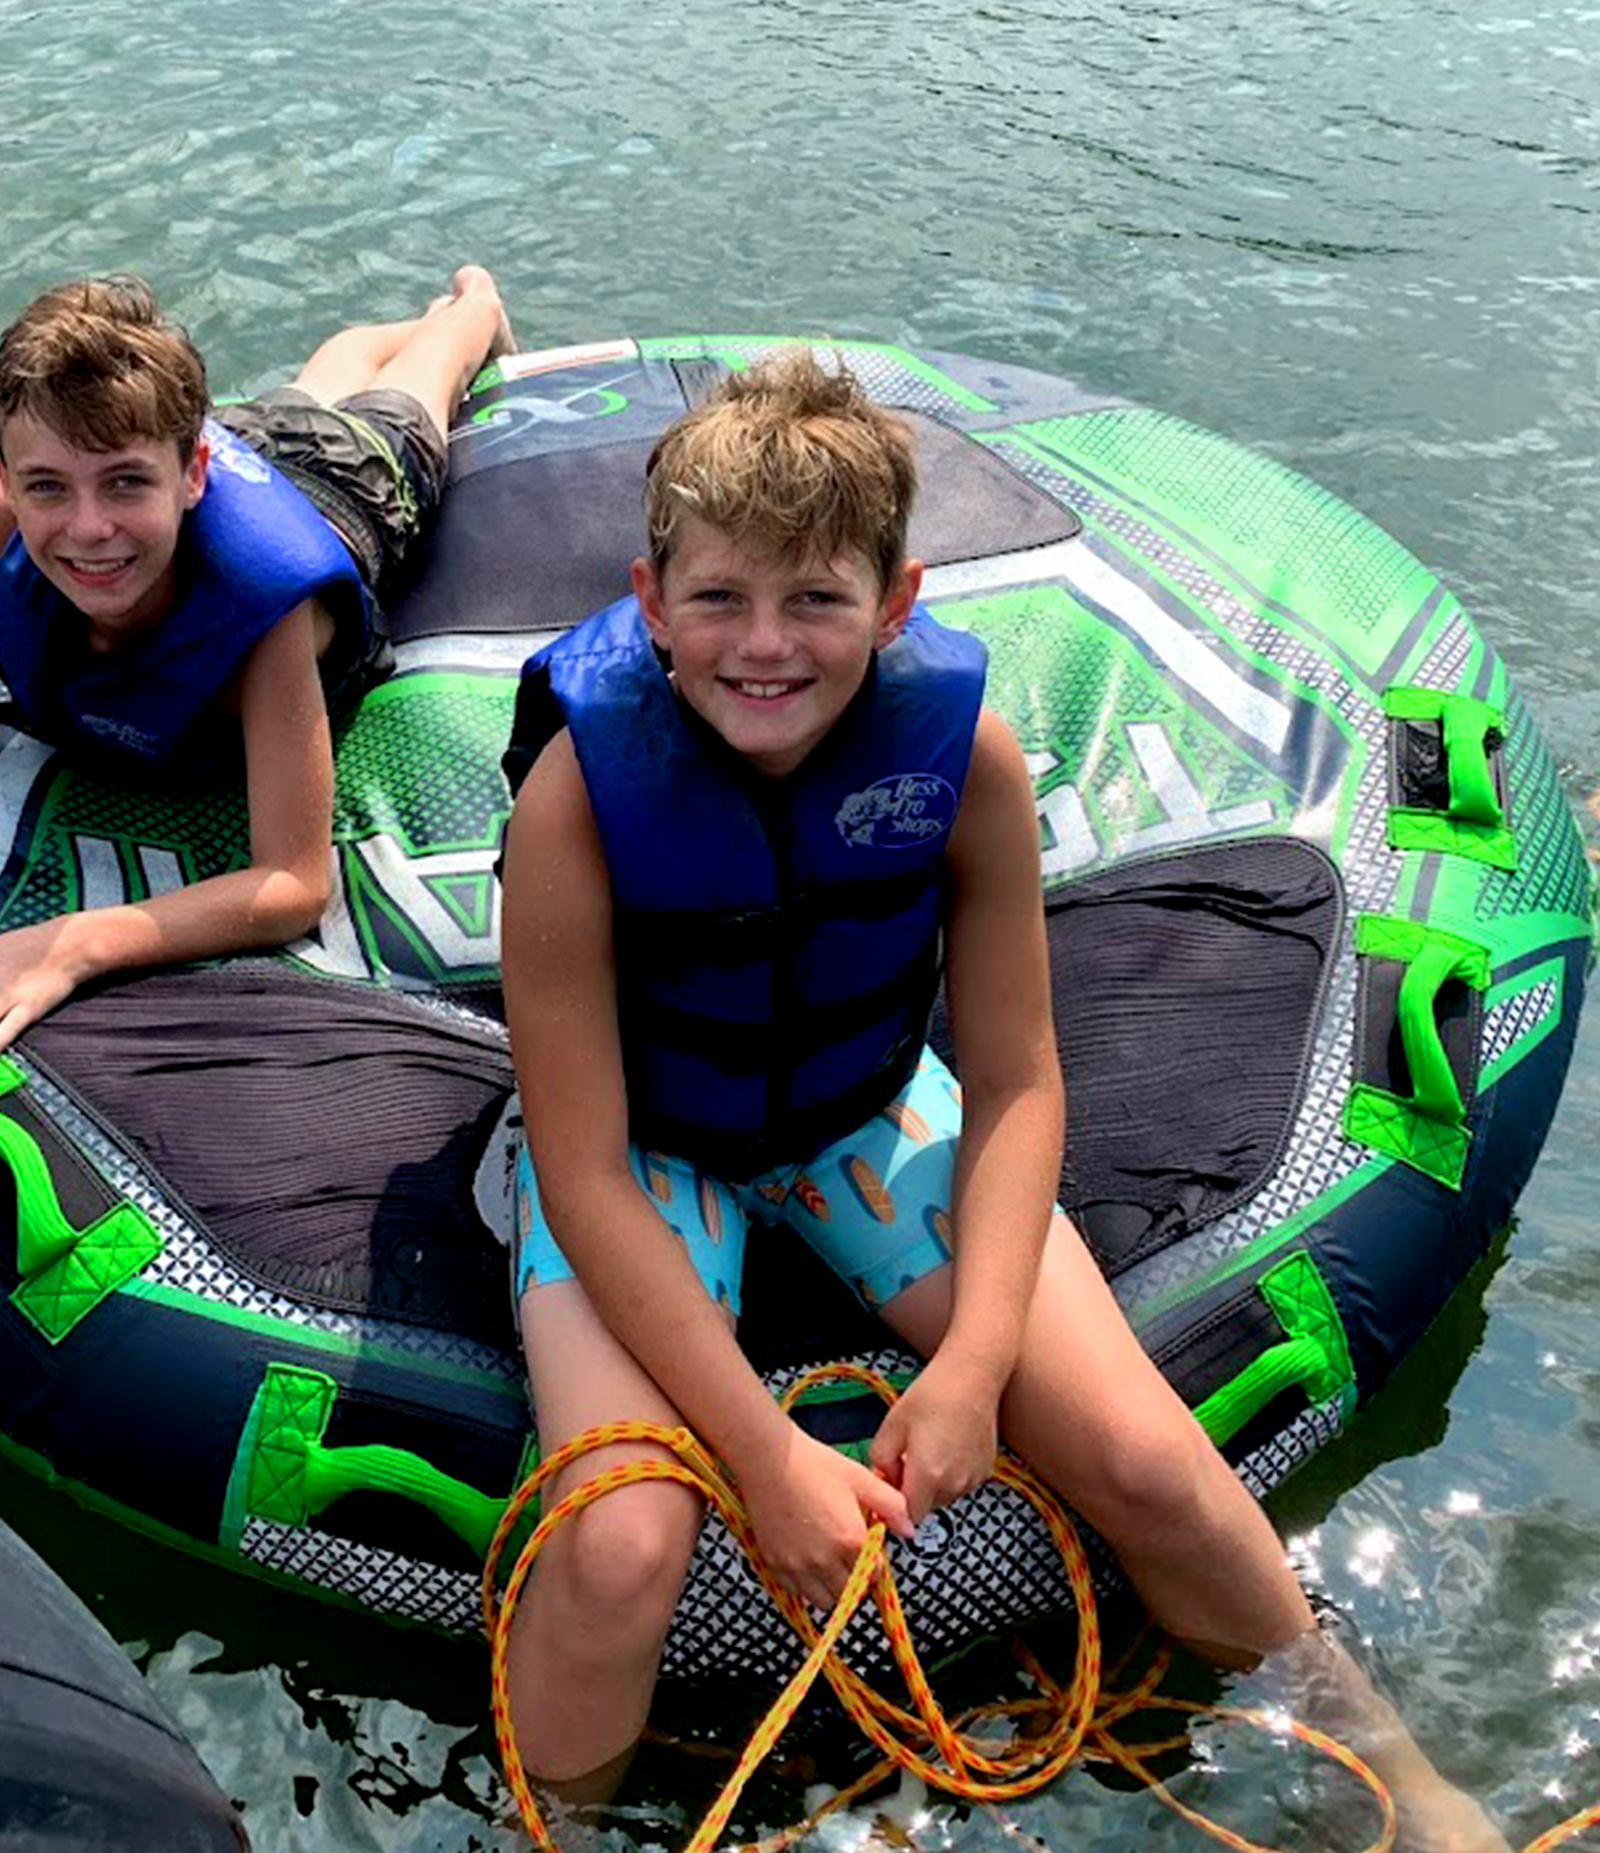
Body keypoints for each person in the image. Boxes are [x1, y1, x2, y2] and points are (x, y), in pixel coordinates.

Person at [493, 351, 1503, 1849]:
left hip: (862, 1111)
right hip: (642, 1151)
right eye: (718, 601)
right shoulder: (577, 796)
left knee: (1154, 1459)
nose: (764, 647)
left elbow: (1022, 1076)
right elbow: (576, 1167)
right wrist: (767, 1461)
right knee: (627, 1551)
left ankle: (1396, 1774)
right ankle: (556, 1827)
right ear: (651, 600)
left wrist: (968, 1370)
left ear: (895, 607)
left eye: (816, 601)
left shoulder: (962, 757)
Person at [0, 267, 513, 1075]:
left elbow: (291, 881)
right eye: (46, 487)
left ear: (192, 475)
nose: (89, 528)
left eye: (124, 484)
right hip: (229, 449)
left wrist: (68, 948)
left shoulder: (264, 600)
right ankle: (373, 342)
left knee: (413, 393)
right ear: (3, 476)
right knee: (315, 386)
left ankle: (467, 306)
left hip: (343, 486)